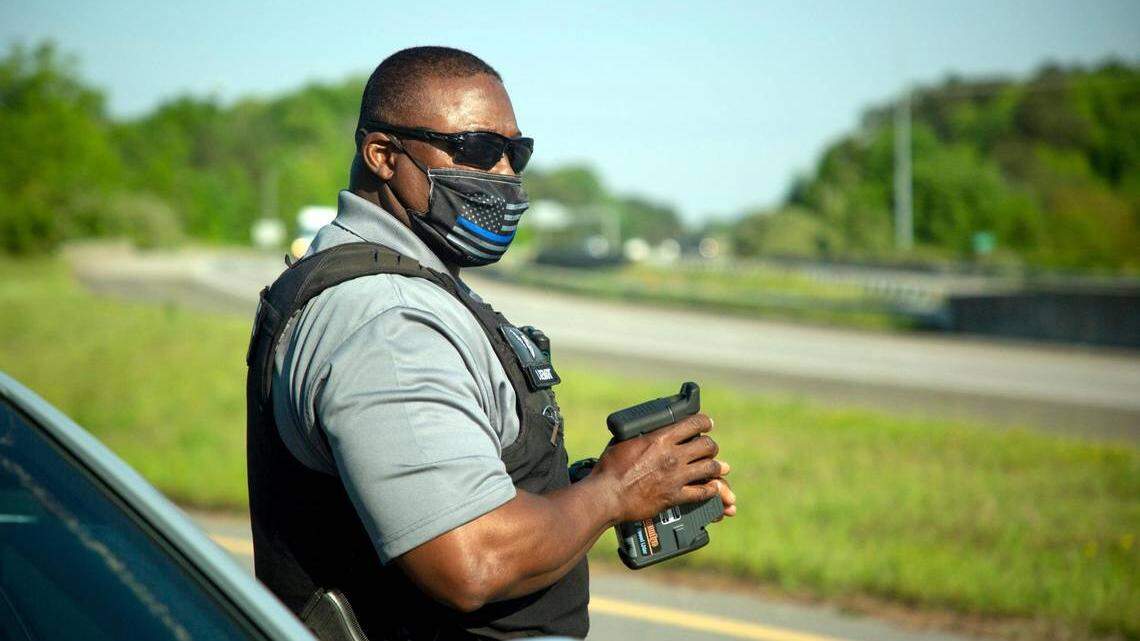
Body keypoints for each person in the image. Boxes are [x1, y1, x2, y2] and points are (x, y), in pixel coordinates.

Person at [245, 46, 736, 641]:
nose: (505, 173)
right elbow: (469, 560)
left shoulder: (408, 288)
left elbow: (447, 489)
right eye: (477, 150)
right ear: (382, 155)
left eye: (515, 152)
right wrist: (614, 492)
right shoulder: (388, 323)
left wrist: (599, 484)